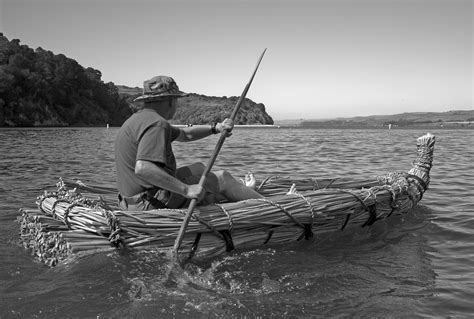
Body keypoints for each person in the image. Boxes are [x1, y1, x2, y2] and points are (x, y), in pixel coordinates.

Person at [114, 75, 262, 211]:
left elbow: (185, 134)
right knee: (223, 177)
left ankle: (242, 192)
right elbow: (143, 168)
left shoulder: (138, 119)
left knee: (198, 168)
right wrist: (186, 189)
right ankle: (271, 205)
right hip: (149, 203)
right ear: (171, 101)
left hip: (130, 200)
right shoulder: (157, 124)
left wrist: (216, 128)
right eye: (176, 100)